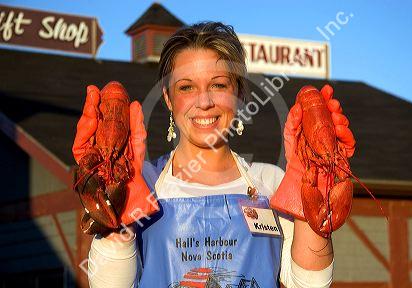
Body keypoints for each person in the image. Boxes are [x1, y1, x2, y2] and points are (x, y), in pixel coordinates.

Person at [73, 21, 355, 288]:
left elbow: (310, 284)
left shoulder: (271, 180)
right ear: (168, 98)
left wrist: (311, 195)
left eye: (219, 85)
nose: (204, 101)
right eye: (187, 87)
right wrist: (119, 206)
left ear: (239, 93)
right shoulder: (141, 181)